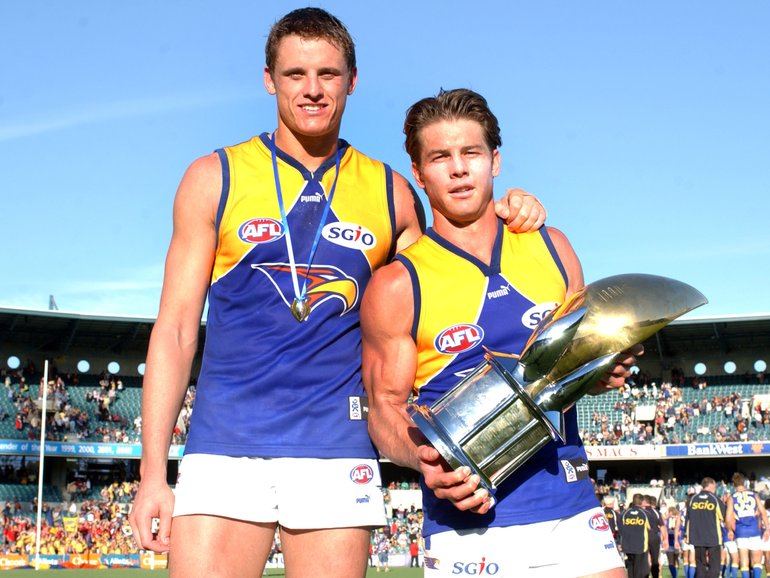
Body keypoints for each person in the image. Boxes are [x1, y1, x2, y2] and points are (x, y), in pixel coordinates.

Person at [126, 8, 545, 578]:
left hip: (337, 447)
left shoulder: (393, 192)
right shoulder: (213, 177)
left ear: (353, 79)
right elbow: (174, 330)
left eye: (328, 73)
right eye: (296, 74)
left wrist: (510, 208)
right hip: (225, 442)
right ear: (269, 79)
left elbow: (446, 281)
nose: (313, 89)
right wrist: (153, 472)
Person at [361, 88, 639, 577]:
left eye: (470, 152)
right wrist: (423, 460)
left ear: (495, 159)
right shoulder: (397, 284)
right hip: (467, 525)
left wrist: (606, 366)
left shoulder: (553, 247)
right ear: (418, 174)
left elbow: (573, 373)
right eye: (440, 157)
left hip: (570, 506)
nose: (459, 169)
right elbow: (384, 406)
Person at [725, 472, 769, 578]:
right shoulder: (754, 495)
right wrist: (767, 529)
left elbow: (728, 518)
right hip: (754, 530)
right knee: (757, 561)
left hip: (741, 531)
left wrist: (729, 530)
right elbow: (763, 513)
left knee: (744, 562)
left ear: (733, 484)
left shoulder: (732, 497)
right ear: (744, 482)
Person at [686, 477, 731, 578]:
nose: (715, 488)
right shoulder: (714, 499)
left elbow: (688, 518)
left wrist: (687, 535)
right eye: (714, 486)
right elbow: (724, 516)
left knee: (700, 566)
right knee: (714, 566)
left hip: (697, 537)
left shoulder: (693, 499)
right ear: (710, 485)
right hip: (713, 537)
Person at [620, 494, 652, 578]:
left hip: (628, 545)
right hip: (640, 545)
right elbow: (650, 527)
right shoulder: (645, 514)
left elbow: (620, 528)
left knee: (630, 568)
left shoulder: (624, 513)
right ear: (642, 502)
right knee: (639, 569)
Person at [644, 494, 665, 578]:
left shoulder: (643, 512)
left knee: (645, 559)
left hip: (644, 537)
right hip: (655, 537)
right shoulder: (656, 512)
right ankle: (656, 576)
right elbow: (662, 526)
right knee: (655, 560)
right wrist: (665, 539)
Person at [664, 505, 682, 578]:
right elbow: (662, 525)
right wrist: (666, 518)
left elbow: (679, 528)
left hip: (676, 540)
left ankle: (675, 574)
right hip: (669, 540)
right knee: (670, 560)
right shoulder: (667, 519)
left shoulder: (678, 518)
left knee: (676, 559)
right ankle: (674, 576)